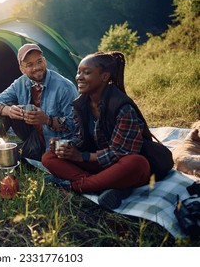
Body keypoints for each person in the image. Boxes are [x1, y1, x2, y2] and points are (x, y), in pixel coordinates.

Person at [41, 51, 152, 210]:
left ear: (104, 76)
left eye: (87, 72)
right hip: (97, 163)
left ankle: (74, 186)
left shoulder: (123, 107)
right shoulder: (80, 105)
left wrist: (82, 156)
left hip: (121, 166)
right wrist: (67, 147)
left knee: (137, 162)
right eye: (79, 72)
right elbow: (80, 140)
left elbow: (121, 153)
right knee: (49, 157)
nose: (79, 77)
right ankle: (108, 186)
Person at [0, 43, 79, 161]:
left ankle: (4, 149)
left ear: (45, 61)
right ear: (22, 69)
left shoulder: (64, 87)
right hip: (31, 131)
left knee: (17, 158)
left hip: (53, 140)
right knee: (7, 108)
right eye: (29, 65)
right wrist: (9, 111)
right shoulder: (20, 83)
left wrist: (47, 120)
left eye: (39, 62)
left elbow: (75, 126)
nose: (37, 67)